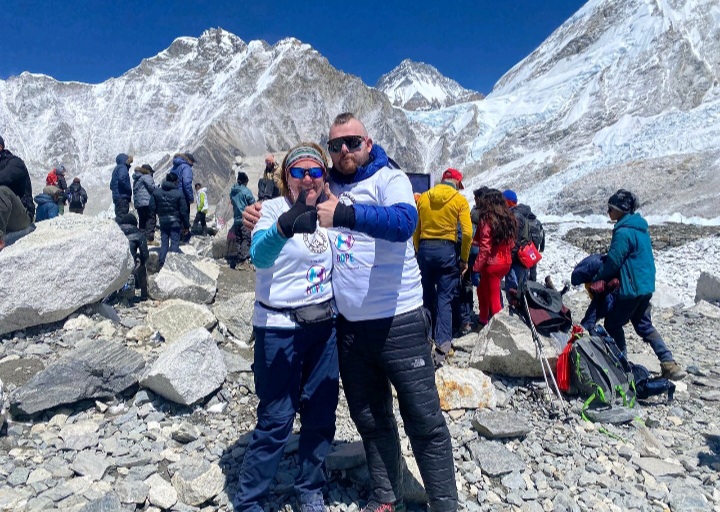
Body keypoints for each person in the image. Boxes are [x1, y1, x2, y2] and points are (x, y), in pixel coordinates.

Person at [246, 113, 457, 512]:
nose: (344, 150)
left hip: (400, 321)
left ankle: (445, 505)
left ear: (368, 144)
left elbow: (404, 222)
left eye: (353, 142)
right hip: (348, 329)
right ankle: (385, 496)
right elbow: (276, 226)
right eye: (336, 145)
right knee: (371, 418)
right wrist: (260, 213)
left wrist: (343, 214)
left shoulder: (389, 179)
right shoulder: (326, 188)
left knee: (424, 419)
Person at [235, 143, 338, 512]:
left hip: (324, 327)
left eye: (315, 171)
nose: (307, 178)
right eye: (298, 172)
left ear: (324, 176)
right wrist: (284, 225)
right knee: (277, 417)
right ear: (286, 177)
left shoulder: (331, 212)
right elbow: (259, 257)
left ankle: (310, 487)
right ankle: (250, 500)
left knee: (321, 411)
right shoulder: (271, 210)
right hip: (278, 327)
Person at [591, 189, 686, 381]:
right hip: (645, 286)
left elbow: (614, 261)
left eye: (610, 208)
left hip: (631, 288)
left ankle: (622, 367)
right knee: (643, 324)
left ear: (620, 209)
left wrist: (597, 277)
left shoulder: (623, 232)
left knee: (612, 323)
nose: (608, 212)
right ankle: (669, 363)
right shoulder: (640, 228)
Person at [413, 168, 472, 352]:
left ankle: (425, 339)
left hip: (425, 249)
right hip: (447, 251)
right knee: (444, 298)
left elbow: (416, 229)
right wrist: (464, 259)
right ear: (457, 183)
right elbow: (467, 233)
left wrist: (419, 250)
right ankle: (443, 343)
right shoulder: (459, 200)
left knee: (427, 295)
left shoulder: (424, 197)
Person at [473, 189, 516, 326]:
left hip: (492, 263)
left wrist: (476, 268)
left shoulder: (487, 218)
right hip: (505, 261)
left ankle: (497, 326)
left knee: (492, 296)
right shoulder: (508, 217)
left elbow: (485, 248)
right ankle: (483, 319)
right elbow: (512, 243)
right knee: (485, 289)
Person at [153, 172, 189, 268]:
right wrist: (186, 225)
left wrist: (159, 213)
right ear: (175, 181)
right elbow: (184, 211)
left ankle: (162, 263)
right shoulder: (179, 193)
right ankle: (172, 264)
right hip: (175, 222)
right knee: (174, 242)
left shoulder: (157, 192)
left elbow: (151, 207)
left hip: (163, 221)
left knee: (164, 243)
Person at [0, 135, 34, 222]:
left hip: (23, 213)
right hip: (7, 217)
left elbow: (5, 177)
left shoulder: (15, 162)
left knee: (2, 190)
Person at [118, 213, 150, 301]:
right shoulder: (139, 234)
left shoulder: (116, 231)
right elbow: (145, 254)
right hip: (130, 265)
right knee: (141, 264)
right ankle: (144, 294)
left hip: (116, 263)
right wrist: (142, 261)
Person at [228, 171, 255, 269]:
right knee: (246, 239)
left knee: (238, 239)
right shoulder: (245, 191)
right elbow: (252, 202)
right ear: (245, 182)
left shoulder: (233, 191)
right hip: (245, 219)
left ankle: (236, 259)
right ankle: (243, 260)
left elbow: (232, 201)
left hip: (236, 219)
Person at [132, 164, 157, 243]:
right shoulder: (147, 177)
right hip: (147, 202)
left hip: (139, 203)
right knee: (151, 219)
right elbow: (152, 188)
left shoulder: (137, 179)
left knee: (142, 220)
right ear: (148, 171)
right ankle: (149, 239)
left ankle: (142, 239)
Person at [110, 154, 133, 219]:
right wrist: (128, 189)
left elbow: (111, 185)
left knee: (119, 215)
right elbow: (122, 179)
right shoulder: (123, 168)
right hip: (122, 197)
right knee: (123, 217)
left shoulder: (116, 169)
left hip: (117, 197)